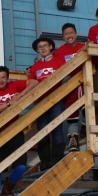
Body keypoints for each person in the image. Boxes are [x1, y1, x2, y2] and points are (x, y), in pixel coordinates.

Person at [0, 66, 38, 196]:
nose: (1, 80)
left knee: (21, 166)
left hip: (15, 131)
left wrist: (21, 95)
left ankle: (7, 190)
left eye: (3, 77)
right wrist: (8, 104)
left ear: (7, 78)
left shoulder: (13, 85)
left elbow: (34, 82)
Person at [29, 37, 66, 170]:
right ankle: (44, 159)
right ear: (37, 50)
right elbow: (31, 84)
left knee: (57, 129)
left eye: (45, 45)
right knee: (42, 130)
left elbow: (67, 76)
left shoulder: (59, 61)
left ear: (50, 47)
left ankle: (57, 157)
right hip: (41, 102)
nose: (43, 48)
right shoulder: (35, 67)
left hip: (56, 99)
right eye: (40, 47)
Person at [54, 23, 85, 153]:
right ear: (63, 36)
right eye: (66, 34)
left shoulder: (83, 47)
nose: (69, 36)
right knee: (72, 112)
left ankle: (84, 127)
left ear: (76, 34)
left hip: (85, 83)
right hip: (69, 86)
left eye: (71, 33)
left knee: (88, 108)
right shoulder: (59, 52)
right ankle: (73, 139)